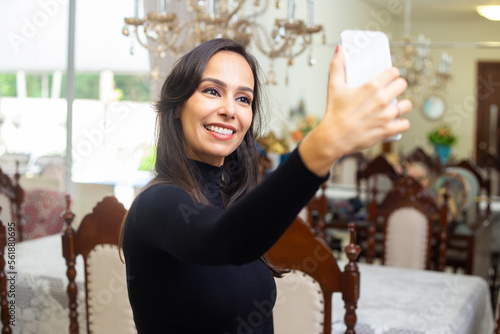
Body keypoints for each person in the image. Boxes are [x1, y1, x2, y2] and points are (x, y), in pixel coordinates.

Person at [120, 38, 411, 333]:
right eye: (212, 91)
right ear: (177, 106)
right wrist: (325, 144)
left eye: (243, 99)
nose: (230, 110)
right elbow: (225, 240)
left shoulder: (230, 200)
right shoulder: (155, 204)